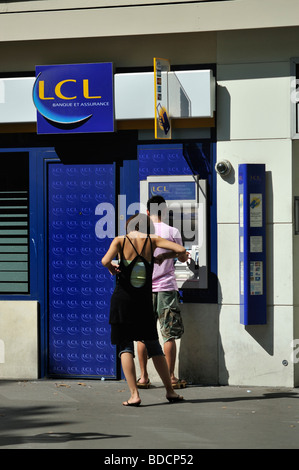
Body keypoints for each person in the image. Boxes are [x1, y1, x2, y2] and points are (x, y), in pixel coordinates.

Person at [101, 213, 187, 407]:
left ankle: (134, 395)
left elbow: (105, 261)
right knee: (154, 347)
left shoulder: (120, 241)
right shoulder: (153, 240)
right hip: (143, 303)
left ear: (130, 226)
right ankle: (170, 391)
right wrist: (165, 255)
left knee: (125, 347)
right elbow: (181, 249)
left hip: (122, 302)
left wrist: (112, 268)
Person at [137, 195, 188, 390]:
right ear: (165, 211)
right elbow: (182, 257)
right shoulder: (172, 231)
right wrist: (178, 255)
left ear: (148, 212)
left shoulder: (140, 232)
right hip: (166, 287)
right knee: (169, 335)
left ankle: (143, 377)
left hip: (144, 290)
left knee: (142, 334)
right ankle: (171, 377)